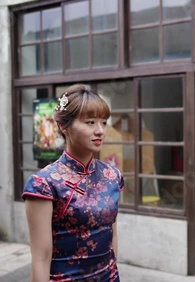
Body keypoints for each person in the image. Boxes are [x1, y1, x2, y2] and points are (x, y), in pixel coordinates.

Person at [22, 84, 124, 281]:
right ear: (63, 126)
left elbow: (112, 233)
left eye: (103, 122)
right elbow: (41, 259)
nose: (100, 130)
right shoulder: (44, 184)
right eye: (90, 122)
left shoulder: (112, 175)